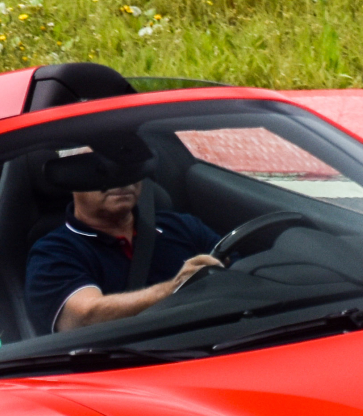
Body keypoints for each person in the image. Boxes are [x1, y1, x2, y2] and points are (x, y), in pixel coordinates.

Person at [24, 141, 222, 334]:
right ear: (72, 177)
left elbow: (239, 268)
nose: (121, 178)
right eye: (101, 167)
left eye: (128, 165)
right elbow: (85, 318)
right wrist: (175, 288)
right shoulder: (54, 252)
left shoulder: (183, 226)